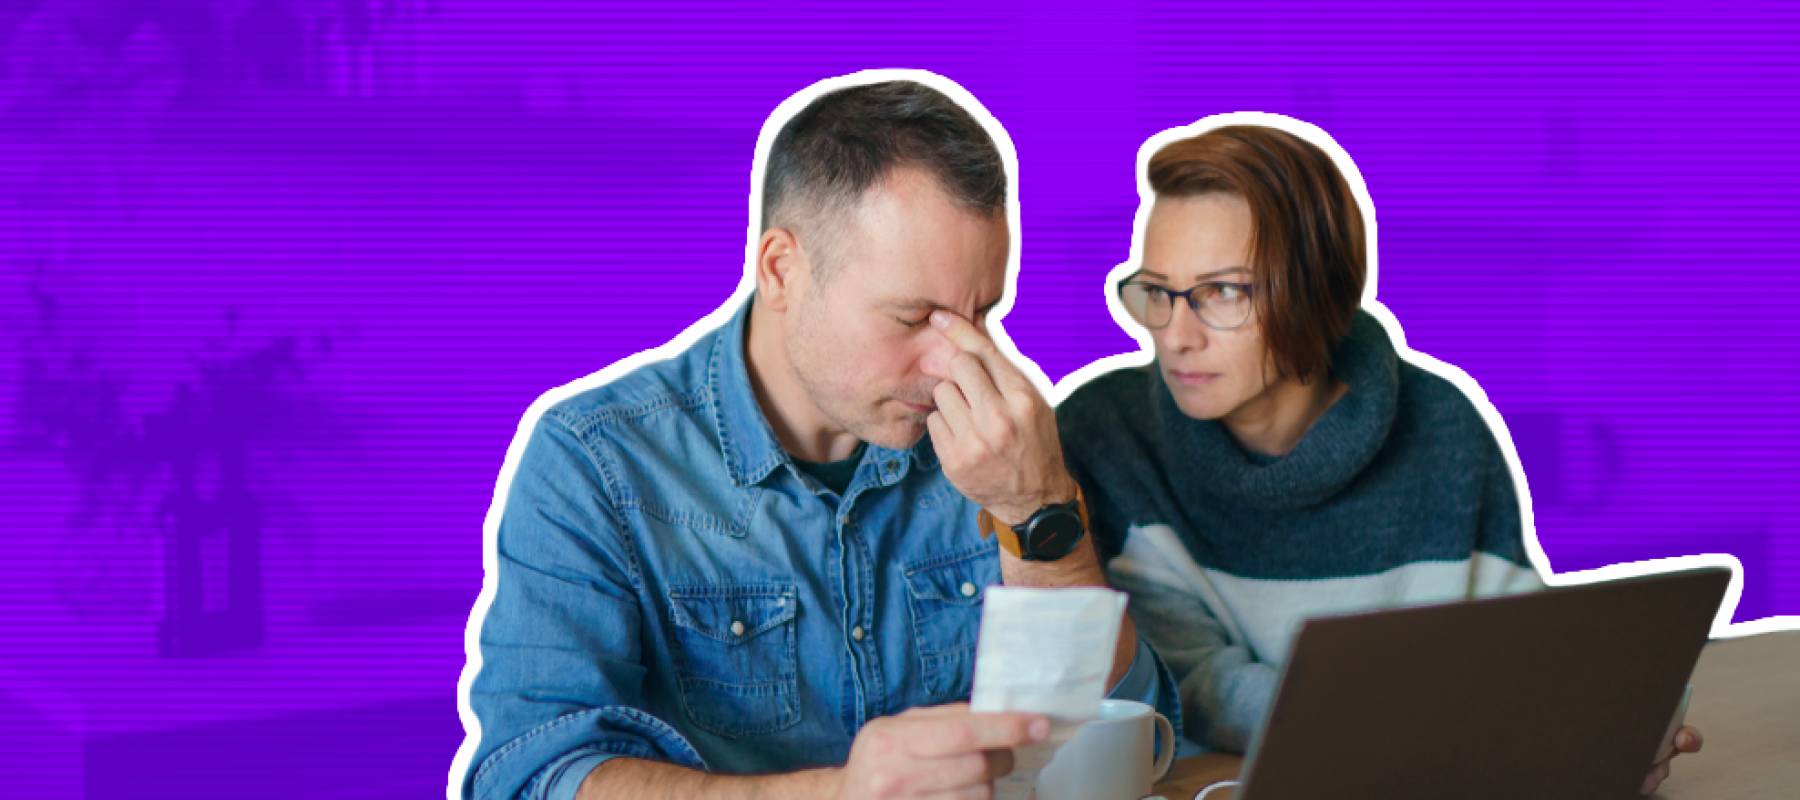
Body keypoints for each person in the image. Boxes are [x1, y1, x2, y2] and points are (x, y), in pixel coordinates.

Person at [454, 73, 1177, 800]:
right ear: (781, 271)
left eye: (980, 314)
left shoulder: (1003, 443)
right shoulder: (594, 460)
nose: (954, 362)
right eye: (912, 317)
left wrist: (1037, 509)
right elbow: (529, 776)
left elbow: (1127, 746)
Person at [1053, 117, 1701, 796]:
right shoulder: (1106, 436)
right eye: (1158, 292)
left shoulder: (1443, 429)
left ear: (1320, 293)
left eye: (1222, 292)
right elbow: (1189, 683)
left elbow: (1528, 651)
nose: (1175, 336)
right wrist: (1429, 724)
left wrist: (1610, 723)